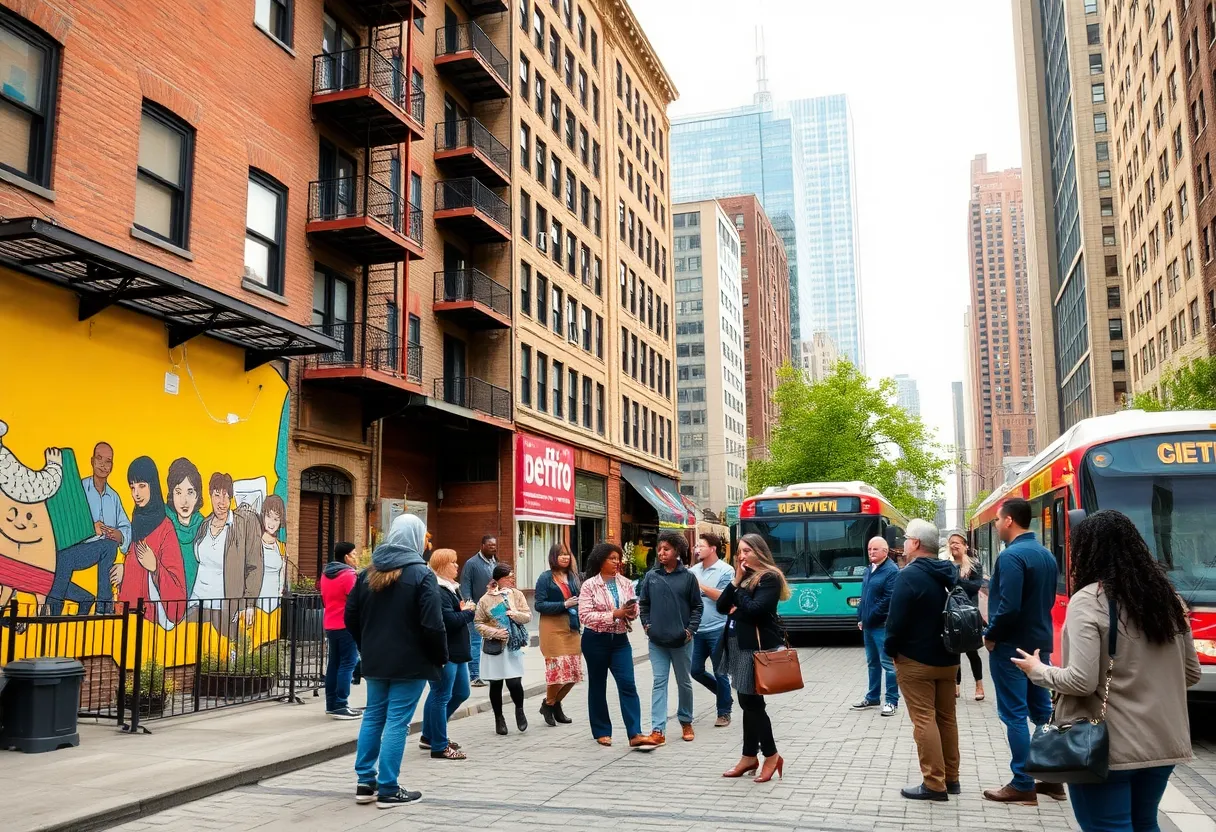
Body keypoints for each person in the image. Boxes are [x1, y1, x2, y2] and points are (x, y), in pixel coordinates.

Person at [1010, 510, 1202, 832]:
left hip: (1109, 749)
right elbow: (1191, 673)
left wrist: (1037, 669)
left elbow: (1081, 682)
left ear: (1087, 551)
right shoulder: (1168, 599)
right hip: (1165, 744)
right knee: (1145, 824)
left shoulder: (1090, 600)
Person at [345, 514, 447, 809]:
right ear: (415, 538)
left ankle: (366, 783)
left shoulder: (367, 573)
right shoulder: (421, 574)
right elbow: (432, 623)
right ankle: (389, 788)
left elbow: (350, 616)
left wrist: (366, 646)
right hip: (411, 662)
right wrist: (439, 657)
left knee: (374, 716)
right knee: (397, 721)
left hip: (376, 660)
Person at [982, 497, 1062, 805]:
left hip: (1011, 648)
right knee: (1042, 712)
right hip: (1039, 647)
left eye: (998, 520)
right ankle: (1053, 779)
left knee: (1014, 714)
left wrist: (991, 635)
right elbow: (1047, 601)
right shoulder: (1046, 555)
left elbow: (1009, 605)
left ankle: (1022, 783)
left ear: (1009, 521)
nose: (997, 525)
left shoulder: (1011, 556)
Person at [883, 519, 960, 801]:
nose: (902, 544)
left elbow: (895, 621)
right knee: (947, 719)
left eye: (906, 539)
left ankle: (934, 783)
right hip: (949, 657)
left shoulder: (909, 575)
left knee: (924, 720)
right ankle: (952, 778)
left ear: (915, 543)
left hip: (916, 660)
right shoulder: (948, 572)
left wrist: (890, 650)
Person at [717, 533, 791, 784]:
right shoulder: (745, 578)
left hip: (755, 649)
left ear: (759, 551)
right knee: (746, 702)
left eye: (747, 551)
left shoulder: (770, 577)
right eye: (739, 551)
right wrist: (736, 581)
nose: (742, 555)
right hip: (738, 645)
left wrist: (740, 600)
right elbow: (721, 606)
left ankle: (771, 755)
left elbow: (757, 611)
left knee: (753, 704)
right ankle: (749, 756)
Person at [578, 542, 657, 749]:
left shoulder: (625, 582)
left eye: (617, 558)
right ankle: (602, 730)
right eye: (611, 558)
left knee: (628, 684)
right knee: (597, 684)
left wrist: (631, 612)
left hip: (620, 640)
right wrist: (614, 614)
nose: (616, 562)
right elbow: (585, 615)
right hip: (595, 640)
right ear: (600, 560)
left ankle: (635, 733)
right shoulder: (589, 585)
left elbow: (635, 608)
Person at [47, 441, 129, 615]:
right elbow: (65, 523)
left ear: (112, 466)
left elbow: (125, 527)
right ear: (92, 461)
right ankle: (76, 601)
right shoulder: (79, 489)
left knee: (109, 545)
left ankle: (103, 606)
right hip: (71, 551)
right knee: (60, 562)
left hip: (97, 552)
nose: (103, 464)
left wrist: (119, 534)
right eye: (99, 459)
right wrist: (90, 529)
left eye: (107, 461)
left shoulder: (114, 497)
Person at [639, 531, 702, 744]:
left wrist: (690, 630)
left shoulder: (688, 578)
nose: (661, 553)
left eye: (666, 549)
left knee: (684, 682)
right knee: (659, 682)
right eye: (659, 549)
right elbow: (644, 603)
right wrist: (647, 626)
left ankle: (686, 721)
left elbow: (697, 606)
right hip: (657, 641)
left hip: (682, 641)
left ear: (677, 551)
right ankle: (658, 730)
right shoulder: (651, 576)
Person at [112, 456, 188, 627]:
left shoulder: (165, 529)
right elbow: (136, 565)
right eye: (132, 487)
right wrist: (125, 568)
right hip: (127, 618)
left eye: (141, 486)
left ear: (153, 486)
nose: (136, 494)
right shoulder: (137, 521)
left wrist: (155, 567)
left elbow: (178, 597)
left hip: (148, 623)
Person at [421, 548, 475, 760]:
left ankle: (431, 734)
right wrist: (468, 612)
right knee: (441, 695)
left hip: (457, 650)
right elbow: (449, 621)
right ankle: (439, 745)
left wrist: (463, 611)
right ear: (442, 565)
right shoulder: (438, 589)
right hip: (445, 650)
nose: (456, 566)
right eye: (452, 563)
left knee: (461, 692)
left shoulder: (452, 588)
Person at [474, 562, 531, 736]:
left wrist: (515, 614)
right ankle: (499, 719)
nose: (512, 580)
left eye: (513, 576)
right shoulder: (485, 599)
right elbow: (478, 623)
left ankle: (519, 710)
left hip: (513, 645)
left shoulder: (517, 594)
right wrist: (494, 632)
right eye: (508, 577)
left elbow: (528, 615)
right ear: (498, 579)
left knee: (514, 682)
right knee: (496, 683)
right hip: (495, 645)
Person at [534, 543, 583, 727]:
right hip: (551, 627)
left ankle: (551, 704)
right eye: (561, 554)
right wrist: (564, 605)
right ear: (553, 557)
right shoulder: (545, 578)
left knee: (573, 674)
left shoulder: (573, 577)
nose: (565, 557)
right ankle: (551, 704)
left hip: (571, 627)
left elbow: (580, 600)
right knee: (556, 672)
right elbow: (539, 604)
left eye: (567, 554)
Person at [688, 532, 734, 727]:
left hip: (718, 629)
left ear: (713, 549)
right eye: (696, 546)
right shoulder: (692, 571)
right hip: (697, 630)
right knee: (695, 670)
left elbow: (723, 598)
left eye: (701, 546)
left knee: (720, 671)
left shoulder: (726, 570)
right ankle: (725, 695)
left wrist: (701, 587)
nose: (697, 549)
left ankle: (724, 712)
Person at [851, 535, 899, 716]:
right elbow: (864, 596)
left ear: (885, 552)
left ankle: (891, 701)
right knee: (872, 663)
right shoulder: (869, 569)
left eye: (875, 549)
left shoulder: (892, 571)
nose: (871, 552)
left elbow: (888, 600)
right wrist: (860, 617)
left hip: (882, 626)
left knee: (888, 663)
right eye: (870, 549)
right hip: (869, 625)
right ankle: (872, 697)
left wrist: (869, 617)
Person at [321, 541, 360, 719]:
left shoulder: (326, 574)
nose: (356, 557)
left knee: (334, 664)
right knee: (348, 663)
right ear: (346, 557)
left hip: (330, 623)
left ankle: (331, 703)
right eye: (354, 554)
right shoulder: (349, 575)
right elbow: (355, 602)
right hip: (346, 625)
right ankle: (341, 704)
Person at [946, 531, 985, 701]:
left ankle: (979, 685)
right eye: (952, 542)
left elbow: (975, 586)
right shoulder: (946, 565)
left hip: (969, 614)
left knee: (972, 651)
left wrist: (957, 580)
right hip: (952, 612)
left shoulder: (974, 565)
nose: (954, 545)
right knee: (954, 651)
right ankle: (956, 685)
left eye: (958, 543)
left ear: (965, 546)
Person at [459, 535, 498, 687]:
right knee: (475, 641)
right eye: (490, 545)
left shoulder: (495, 562)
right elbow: (465, 585)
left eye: (494, 545)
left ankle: (489, 672)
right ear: (482, 546)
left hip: (494, 608)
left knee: (492, 640)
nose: (493, 548)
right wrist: (470, 603)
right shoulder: (472, 563)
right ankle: (474, 675)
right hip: (477, 609)